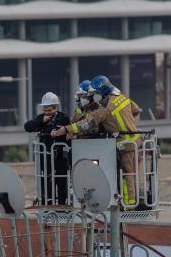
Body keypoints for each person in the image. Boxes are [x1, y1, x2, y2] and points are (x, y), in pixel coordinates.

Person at [51, 75, 142, 206]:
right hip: (134, 141)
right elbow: (136, 110)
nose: (94, 96)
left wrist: (66, 129)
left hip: (125, 144)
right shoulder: (122, 97)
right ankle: (127, 204)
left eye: (95, 94)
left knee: (126, 176)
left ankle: (129, 206)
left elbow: (87, 123)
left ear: (101, 93)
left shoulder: (104, 109)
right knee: (127, 174)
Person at [25, 92, 71, 205]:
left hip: (61, 156)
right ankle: (47, 204)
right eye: (45, 110)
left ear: (56, 107)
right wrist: (41, 121)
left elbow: (71, 130)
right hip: (45, 157)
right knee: (46, 181)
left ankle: (61, 205)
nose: (47, 112)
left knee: (61, 180)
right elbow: (28, 127)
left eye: (49, 110)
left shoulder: (64, 118)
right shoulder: (41, 118)